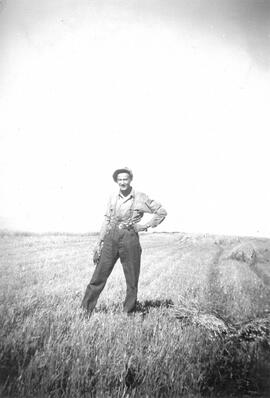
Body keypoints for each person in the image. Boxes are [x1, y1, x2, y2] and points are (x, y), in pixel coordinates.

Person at [81, 167, 167, 314]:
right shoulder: (112, 198)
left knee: (132, 278)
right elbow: (107, 220)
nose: (122, 182)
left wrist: (144, 226)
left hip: (130, 238)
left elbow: (161, 212)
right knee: (99, 275)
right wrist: (99, 242)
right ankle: (85, 309)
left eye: (125, 179)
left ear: (130, 180)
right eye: (120, 180)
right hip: (111, 238)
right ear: (116, 181)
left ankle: (129, 311)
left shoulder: (140, 197)